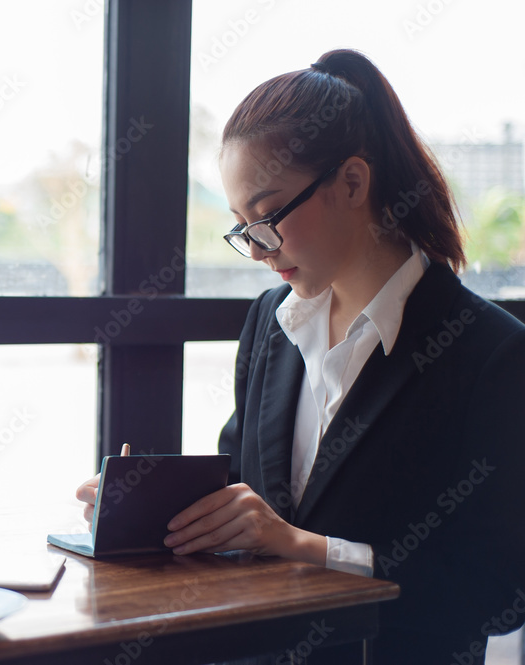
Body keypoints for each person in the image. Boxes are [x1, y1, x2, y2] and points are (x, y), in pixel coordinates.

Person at [76, 49, 525, 664]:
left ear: (352, 182)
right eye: (242, 227)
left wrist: (305, 546)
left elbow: (498, 593)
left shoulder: (490, 352)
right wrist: (148, 505)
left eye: (268, 216)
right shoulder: (271, 321)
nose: (259, 249)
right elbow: (244, 492)